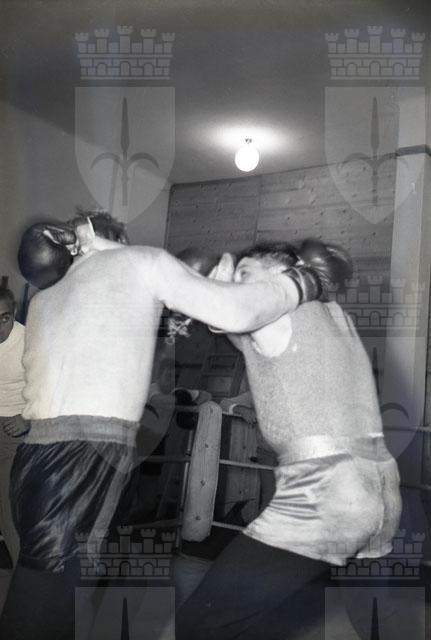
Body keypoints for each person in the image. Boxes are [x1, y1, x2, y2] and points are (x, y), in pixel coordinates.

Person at [0, 215, 323, 640]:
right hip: (86, 454)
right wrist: (302, 282)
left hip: (34, 454)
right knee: (49, 593)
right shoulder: (141, 263)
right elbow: (236, 311)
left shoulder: (44, 298)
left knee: (50, 578)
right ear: (117, 240)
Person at [176, 240, 402, 640]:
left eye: (246, 273)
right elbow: (242, 333)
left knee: (200, 624)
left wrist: (196, 284)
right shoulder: (334, 317)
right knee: (363, 623)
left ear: (287, 274)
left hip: (325, 493)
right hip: (381, 490)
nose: (238, 282)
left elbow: (236, 313)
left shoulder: (279, 309)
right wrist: (221, 289)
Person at [0, 287, 28, 567]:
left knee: (8, 510)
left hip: (13, 430)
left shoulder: (29, 342)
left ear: (15, 312)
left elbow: (50, 389)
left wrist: (26, 419)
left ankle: (27, 581)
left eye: (4, 318)